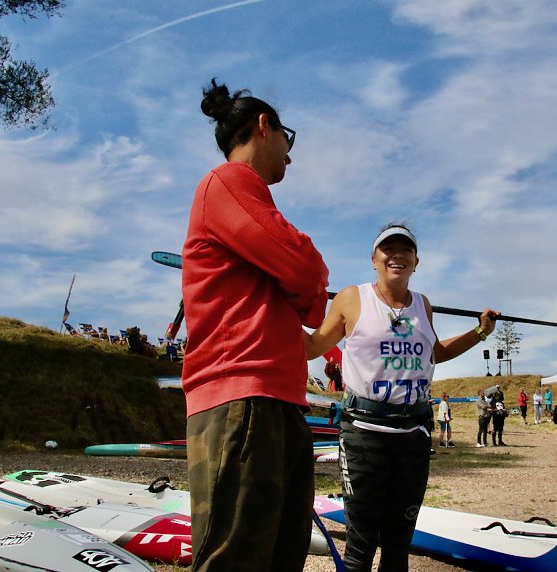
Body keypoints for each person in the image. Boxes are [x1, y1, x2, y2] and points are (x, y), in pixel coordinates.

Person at [182, 78, 328, 572]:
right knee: (239, 558)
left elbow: (310, 302)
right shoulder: (227, 183)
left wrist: (299, 282)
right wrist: (301, 277)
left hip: (274, 397)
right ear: (265, 126)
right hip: (242, 396)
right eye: (288, 137)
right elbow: (307, 272)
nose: (290, 154)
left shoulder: (251, 200)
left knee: (280, 555)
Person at [302, 223, 497, 571]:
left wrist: (481, 331)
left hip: (413, 436)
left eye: (405, 250)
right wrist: (270, 311)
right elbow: (314, 346)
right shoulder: (352, 298)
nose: (397, 255)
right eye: (388, 249)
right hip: (364, 433)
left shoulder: (423, 304)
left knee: (398, 543)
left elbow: (436, 351)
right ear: (374, 259)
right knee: (361, 542)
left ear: (416, 261)